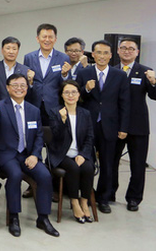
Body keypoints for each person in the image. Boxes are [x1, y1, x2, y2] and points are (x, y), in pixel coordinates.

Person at [0, 74, 59, 237]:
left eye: (23, 85)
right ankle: (14, 217)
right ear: (7, 88)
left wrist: (35, 155)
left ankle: (43, 217)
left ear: (27, 89)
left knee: (45, 175)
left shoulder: (33, 110)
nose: (19, 88)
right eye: (15, 85)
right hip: (7, 155)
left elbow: (39, 136)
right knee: (14, 175)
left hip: (28, 155)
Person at [76, 40, 130, 214]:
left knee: (108, 164)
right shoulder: (84, 73)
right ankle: (84, 196)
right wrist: (86, 89)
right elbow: (76, 98)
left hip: (110, 126)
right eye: (98, 53)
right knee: (86, 163)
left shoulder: (119, 75)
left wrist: (123, 127)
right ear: (93, 54)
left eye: (106, 53)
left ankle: (103, 198)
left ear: (111, 55)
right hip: (87, 125)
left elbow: (124, 103)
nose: (102, 56)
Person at [112, 38, 156, 212]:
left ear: (137, 52)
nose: (127, 51)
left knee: (138, 165)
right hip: (116, 126)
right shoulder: (112, 71)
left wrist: (154, 82)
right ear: (118, 51)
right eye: (123, 48)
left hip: (138, 127)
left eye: (131, 49)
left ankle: (133, 198)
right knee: (111, 162)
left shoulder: (146, 71)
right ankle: (110, 193)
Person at [47, 80, 95, 223]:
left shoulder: (85, 113)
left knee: (88, 167)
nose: (70, 95)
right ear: (62, 95)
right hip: (61, 154)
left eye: (74, 92)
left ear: (79, 94)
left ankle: (84, 202)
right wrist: (62, 120)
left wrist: (83, 154)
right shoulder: (55, 112)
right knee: (73, 168)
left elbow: (89, 137)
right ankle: (74, 202)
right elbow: (55, 138)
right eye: (66, 92)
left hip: (80, 153)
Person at [23, 23, 71, 123]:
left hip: (55, 105)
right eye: (44, 37)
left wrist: (65, 75)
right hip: (34, 103)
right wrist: (30, 82)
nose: (47, 40)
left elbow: (66, 84)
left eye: (50, 37)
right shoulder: (29, 57)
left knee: (54, 135)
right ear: (37, 39)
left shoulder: (63, 58)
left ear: (55, 39)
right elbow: (26, 82)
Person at [0, 36, 34, 102]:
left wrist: (30, 82)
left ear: (18, 51)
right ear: (2, 50)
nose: (11, 52)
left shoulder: (25, 70)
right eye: (8, 48)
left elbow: (29, 94)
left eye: (14, 49)